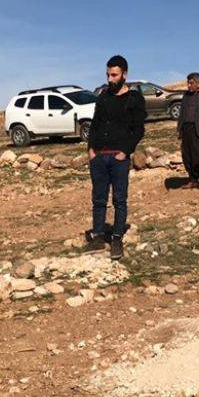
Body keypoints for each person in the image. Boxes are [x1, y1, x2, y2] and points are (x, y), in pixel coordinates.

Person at [86, 55, 147, 260]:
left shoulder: (135, 99)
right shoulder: (103, 96)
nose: (110, 79)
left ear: (124, 74)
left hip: (119, 158)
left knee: (119, 199)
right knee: (99, 199)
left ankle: (117, 238)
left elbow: (138, 129)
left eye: (114, 75)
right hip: (99, 157)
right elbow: (95, 124)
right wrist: (91, 150)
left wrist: (125, 152)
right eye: (108, 74)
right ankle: (98, 236)